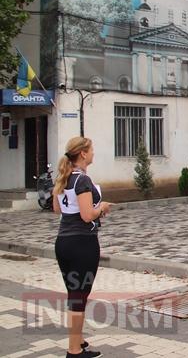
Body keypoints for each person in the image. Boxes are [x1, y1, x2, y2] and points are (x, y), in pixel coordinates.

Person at [53, 136, 112, 358]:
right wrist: (102, 207)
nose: (94, 153)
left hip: (63, 242)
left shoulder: (64, 177)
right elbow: (88, 215)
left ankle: (77, 340)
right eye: (92, 149)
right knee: (79, 297)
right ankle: (74, 350)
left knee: (75, 294)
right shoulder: (83, 180)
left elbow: (57, 209)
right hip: (82, 244)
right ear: (83, 154)